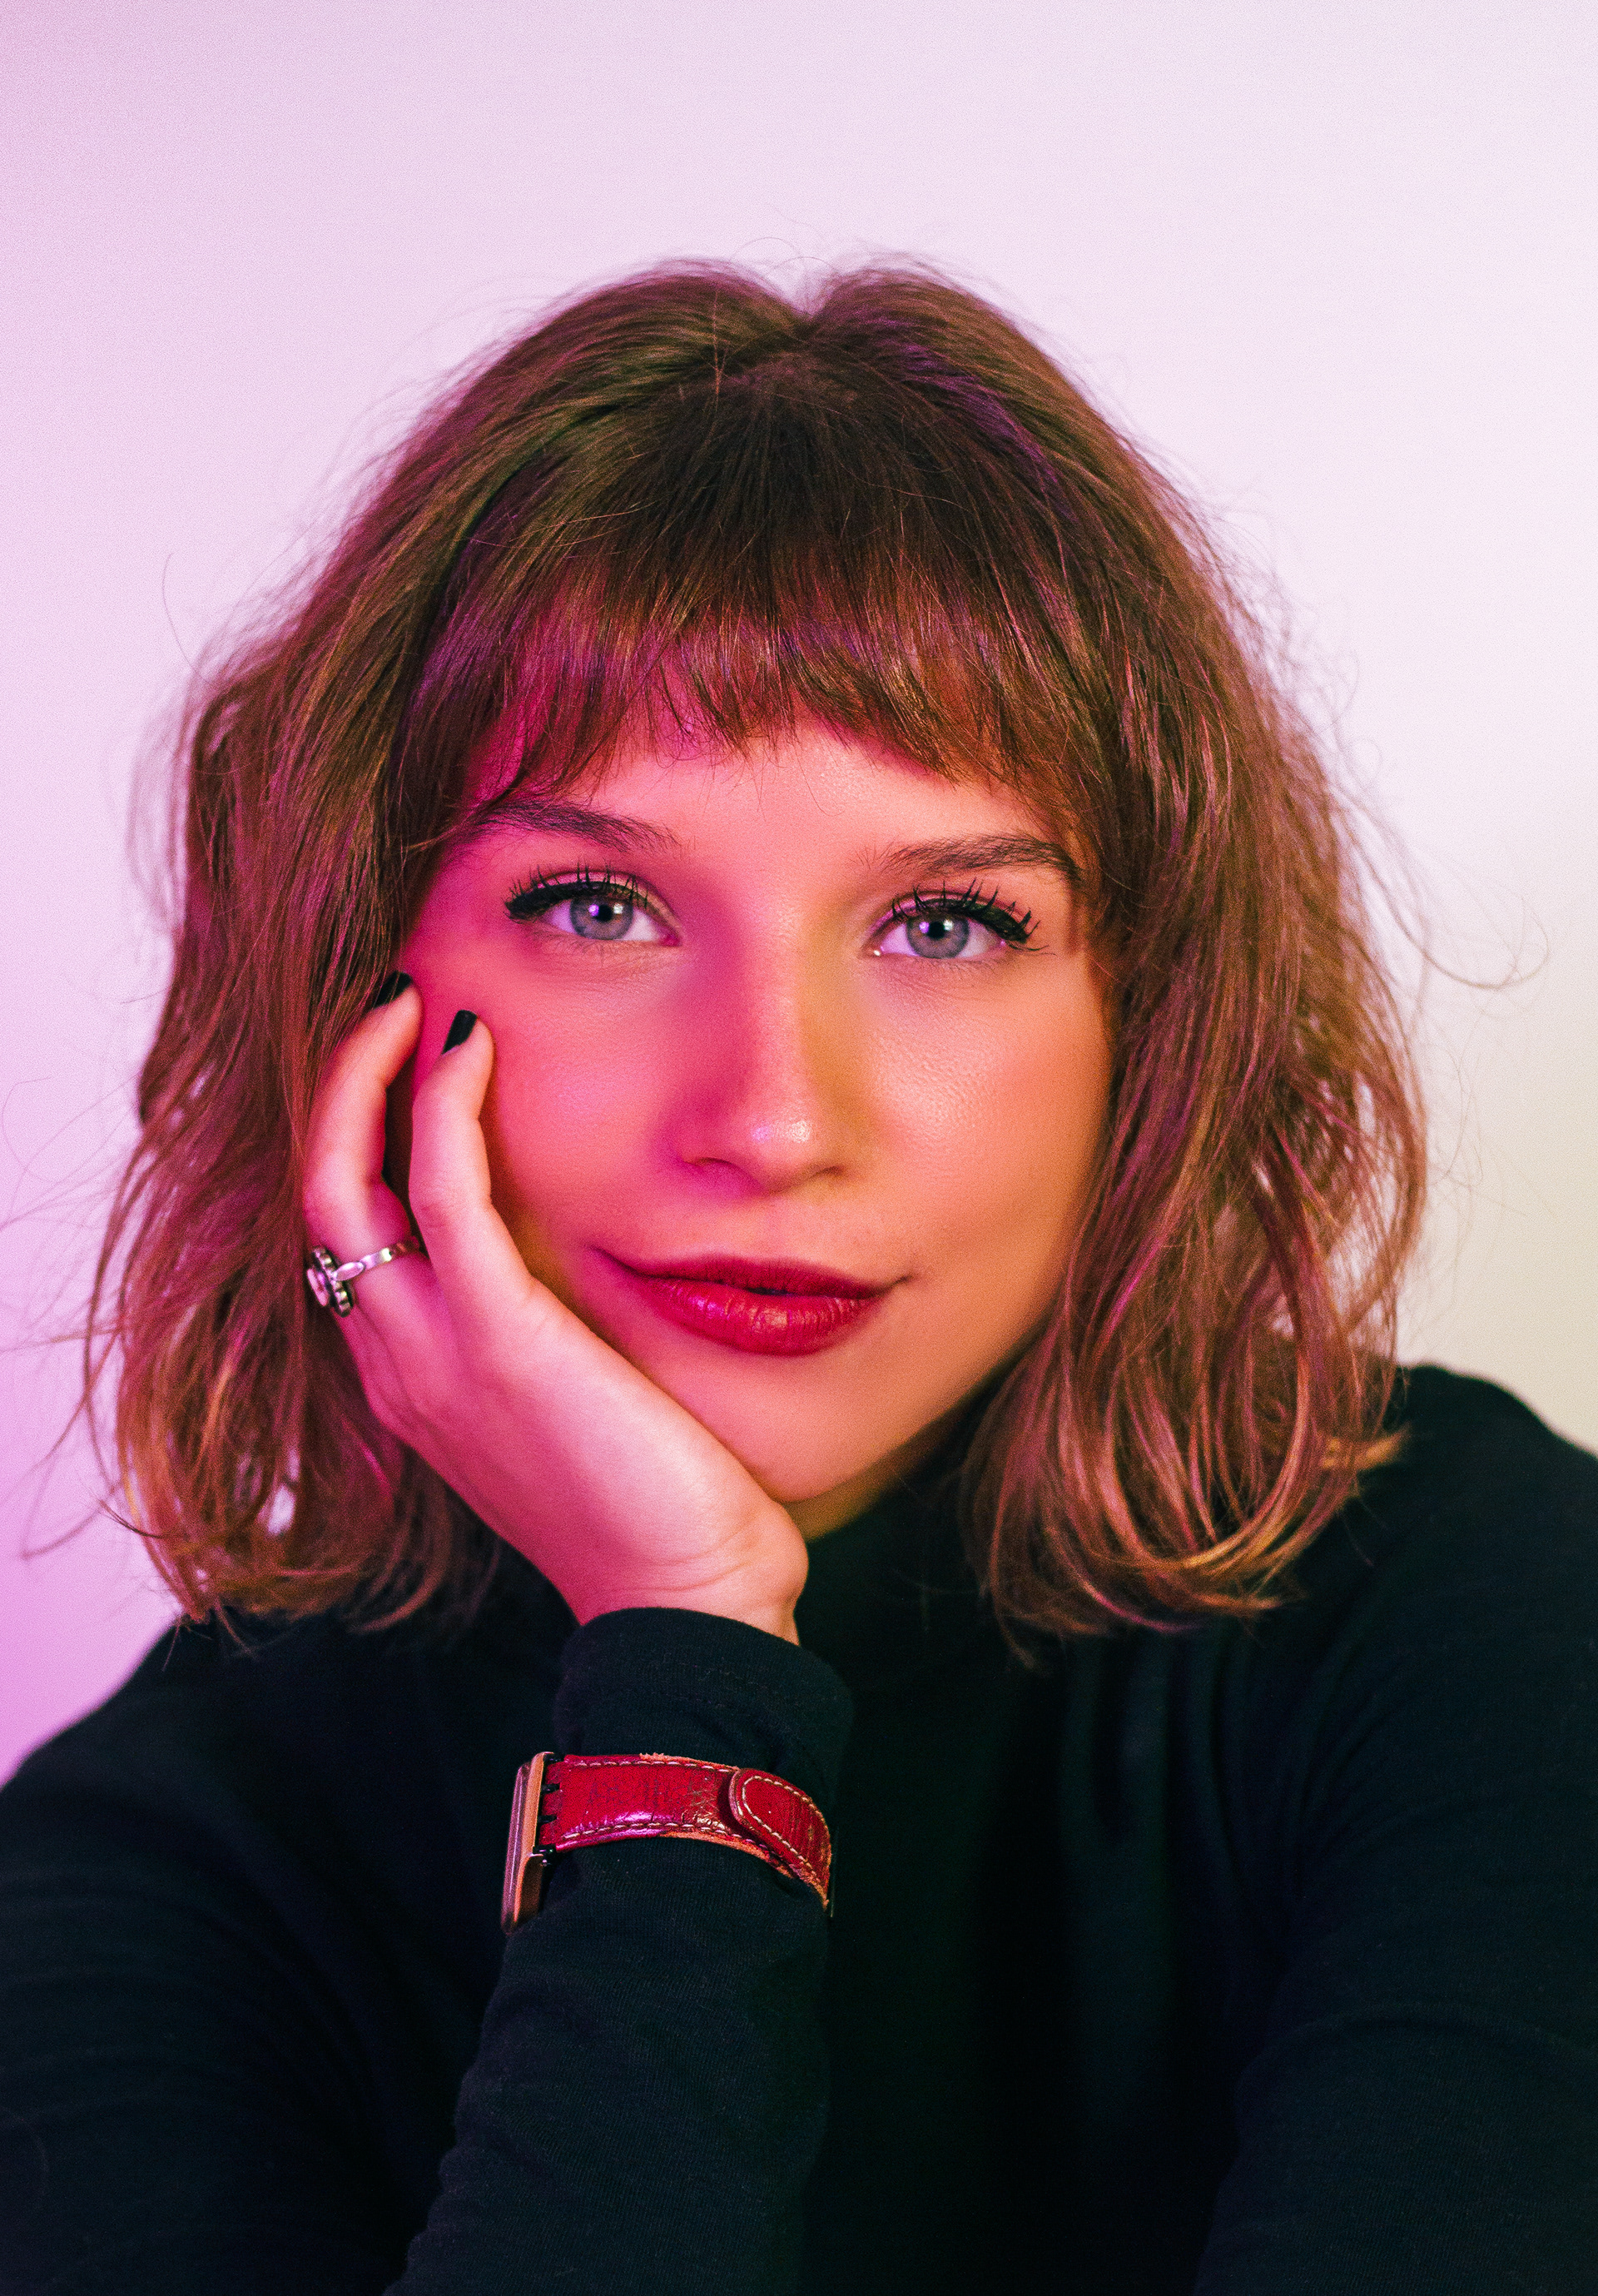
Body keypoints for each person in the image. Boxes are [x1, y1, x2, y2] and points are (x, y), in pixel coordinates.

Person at [0, 265, 1593, 2296]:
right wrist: (684, 1651)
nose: (770, 1118)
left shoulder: (1479, 1611)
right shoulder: (152, 1868)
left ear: (1149, 1018)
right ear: (357, 988)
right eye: (601, 904)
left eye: (947, 921)